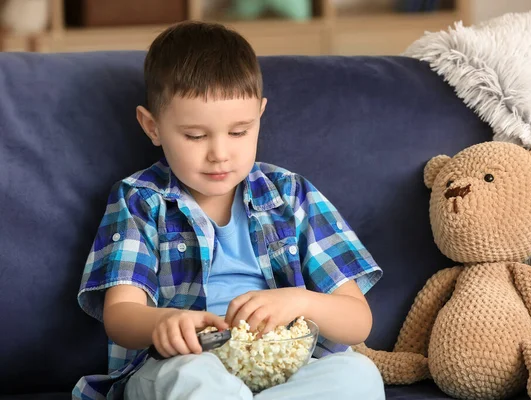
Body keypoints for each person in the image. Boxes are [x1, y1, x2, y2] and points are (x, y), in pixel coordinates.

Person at [73, 20, 384, 400]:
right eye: (195, 136)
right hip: (182, 362)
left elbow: (358, 321)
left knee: (359, 373)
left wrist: (299, 300)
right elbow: (120, 316)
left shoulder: (291, 195)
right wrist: (167, 322)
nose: (220, 153)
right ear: (152, 127)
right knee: (192, 378)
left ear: (260, 116)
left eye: (239, 132)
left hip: (284, 364)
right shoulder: (139, 200)